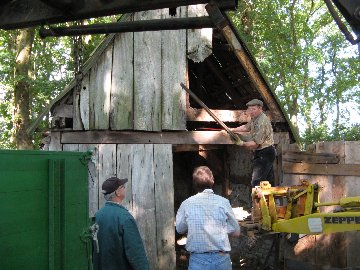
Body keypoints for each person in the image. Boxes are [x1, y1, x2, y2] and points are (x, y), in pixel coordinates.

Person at [175, 166, 240, 270]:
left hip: (198, 261)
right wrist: (220, 228)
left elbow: (179, 229)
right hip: (222, 260)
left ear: (194, 184)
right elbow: (236, 232)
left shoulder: (186, 204)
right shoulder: (223, 202)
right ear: (212, 181)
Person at [93, 177, 149, 270]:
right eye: (123, 187)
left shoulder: (98, 215)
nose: (124, 188)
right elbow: (135, 252)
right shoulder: (124, 217)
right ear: (117, 192)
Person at [231, 99, 276, 187]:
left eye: (253, 109)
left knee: (256, 183)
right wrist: (232, 130)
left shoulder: (262, 122)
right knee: (268, 182)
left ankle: (257, 200)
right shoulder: (255, 119)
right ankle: (273, 200)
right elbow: (246, 127)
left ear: (260, 108)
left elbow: (256, 144)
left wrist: (242, 143)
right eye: (249, 109)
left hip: (265, 153)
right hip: (263, 152)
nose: (251, 112)